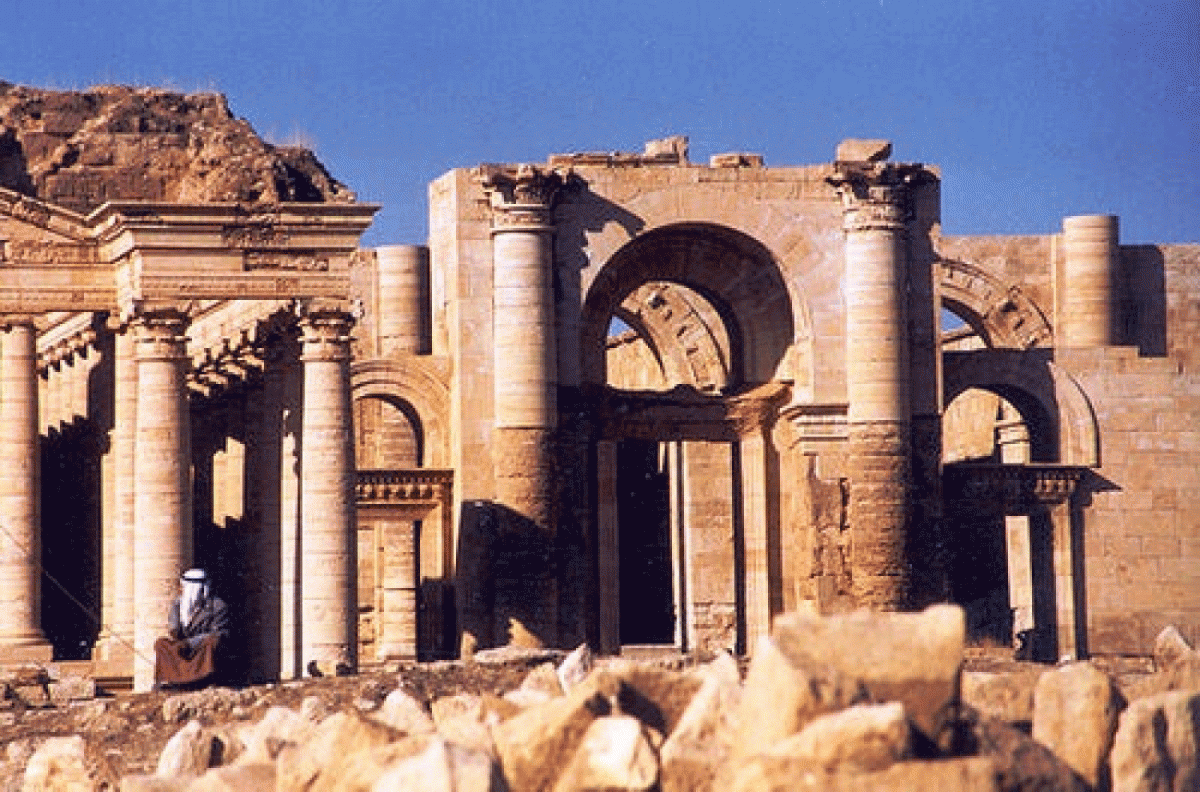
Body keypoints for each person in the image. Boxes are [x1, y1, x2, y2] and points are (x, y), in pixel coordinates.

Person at [153, 568, 229, 689]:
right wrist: (176, 625)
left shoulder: (217, 606)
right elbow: (174, 628)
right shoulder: (178, 605)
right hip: (183, 645)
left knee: (211, 641)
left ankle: (203, 680)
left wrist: (190, 643)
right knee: (161, 644)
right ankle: (171, 680)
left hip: (202, 646)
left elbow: (218, 633)